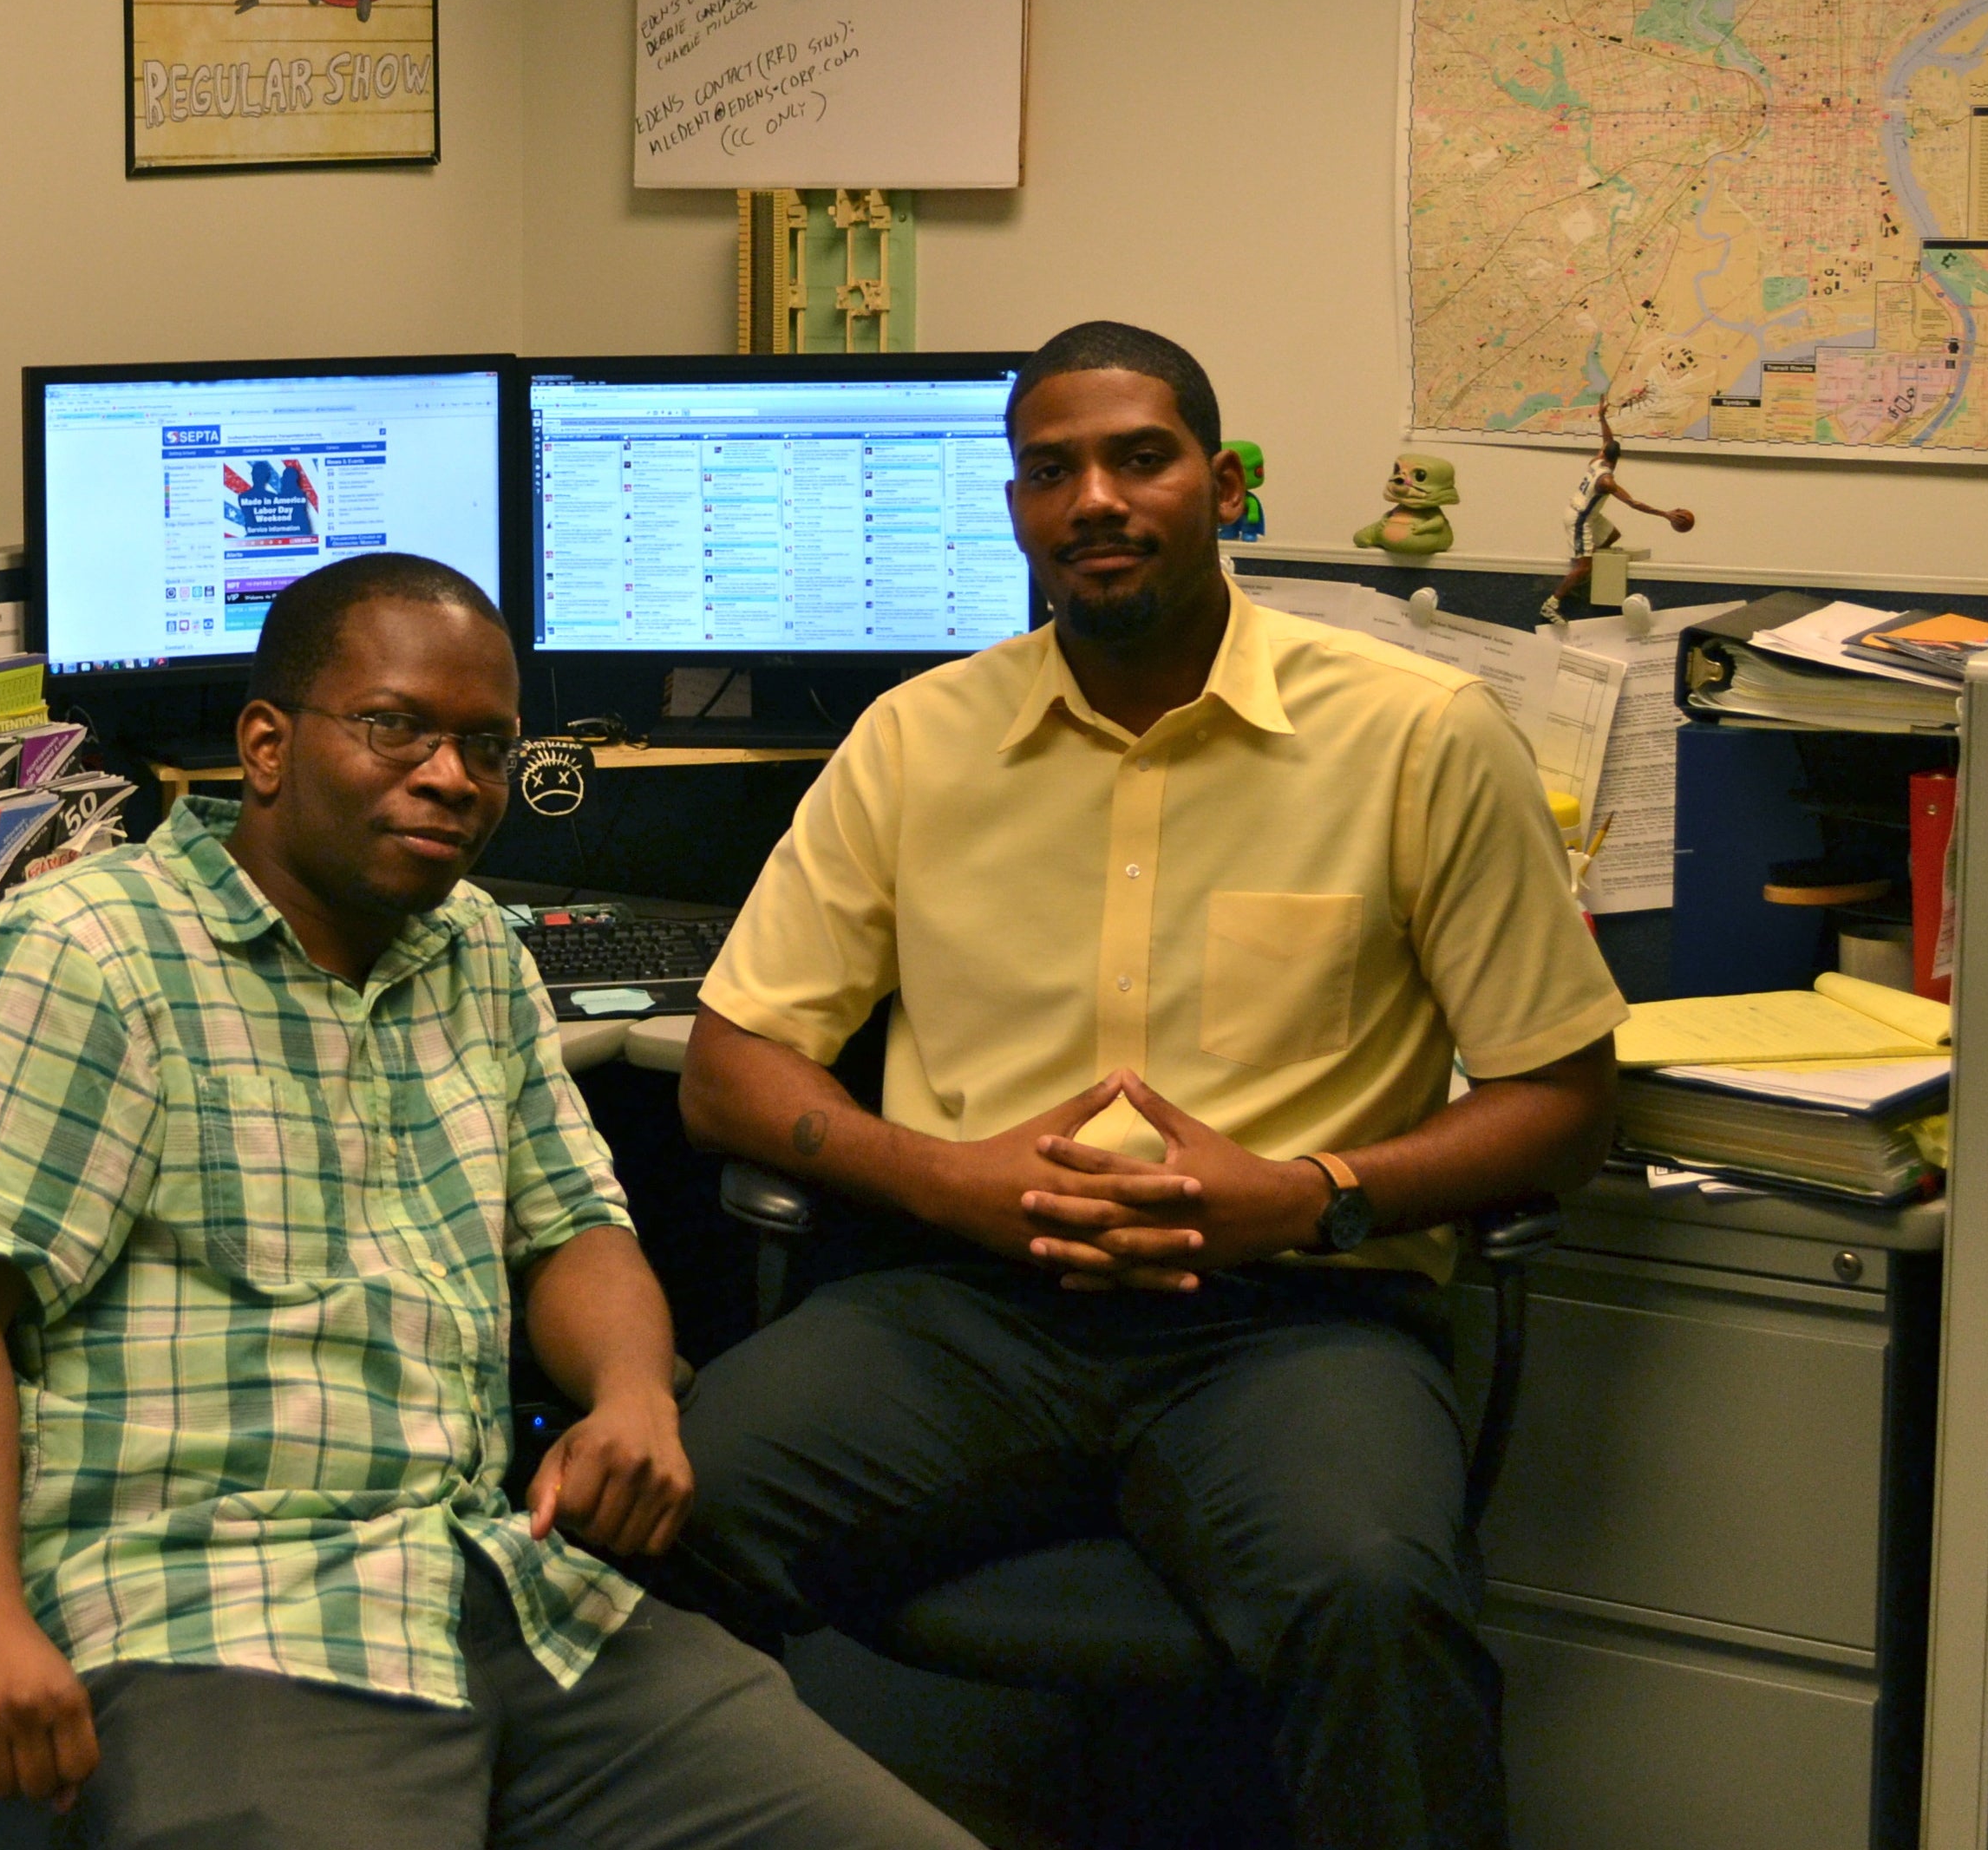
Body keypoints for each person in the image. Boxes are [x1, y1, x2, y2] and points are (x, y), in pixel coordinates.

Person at [668, 324, 1629, 1849]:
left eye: (1138, 457)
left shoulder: (1411, 735)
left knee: (1374, 1593)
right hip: (962, 1302)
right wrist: (946, 1177)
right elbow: (728, 1069)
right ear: (1012, 508)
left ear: (1222, 483)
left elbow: (1564, 1102)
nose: (1093, 501)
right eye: (1048, 471)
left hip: (1289, 1322)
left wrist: (1307, 1196)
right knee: (659, 1507)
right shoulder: (917, 741)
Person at [0, 553, 978, 1850]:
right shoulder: (85, 954)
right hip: (211, 1620)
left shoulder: (476, 955)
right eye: (397, 727)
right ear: (268, 747)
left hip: (499, 1593)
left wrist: (630, 1397)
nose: (452, 778)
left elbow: (577, 1231)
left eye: (487, 747)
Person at [1538, 398, 1694, 625]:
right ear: (1617, 458)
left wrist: (1602, 417)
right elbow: (1633, 503)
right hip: (1579, 520)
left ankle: (1582, 571)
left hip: (1587, 514)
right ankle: (1551, 604)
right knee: (1584, 566)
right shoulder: (1607, 481)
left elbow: (1607, 439)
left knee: (1613, 536)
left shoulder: (1597, 460)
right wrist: (1665, 514)